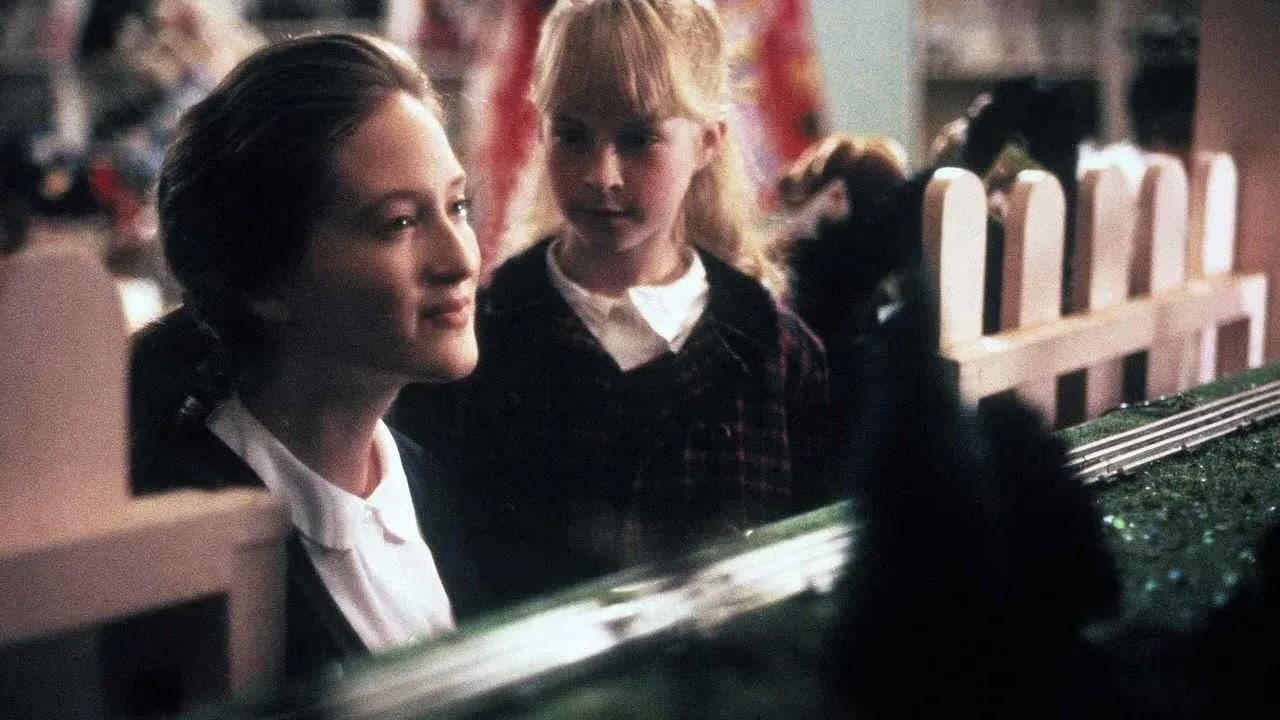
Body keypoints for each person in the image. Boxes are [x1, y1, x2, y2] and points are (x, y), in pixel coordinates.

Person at [395, 0, 835, 605]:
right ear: (540, 131)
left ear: (708, 141)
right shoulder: (471, 348)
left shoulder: (776, 352)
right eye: (572, 136)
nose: (602, 175)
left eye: (639, 139)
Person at [128, 32, 483, 678]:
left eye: (458, 206)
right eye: (399, 223)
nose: (459, 259)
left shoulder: (425, 479)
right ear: (266, 282)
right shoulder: (181, 544)